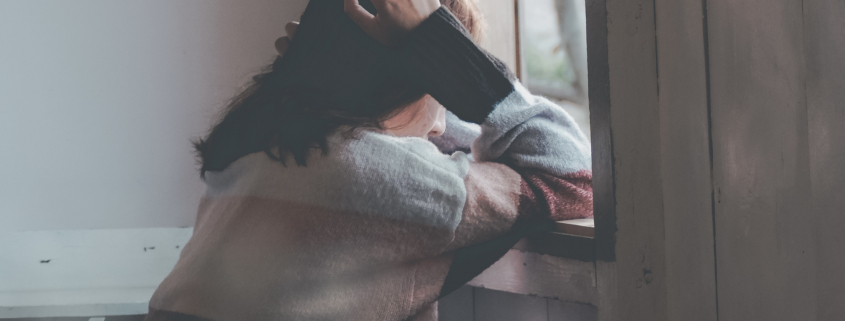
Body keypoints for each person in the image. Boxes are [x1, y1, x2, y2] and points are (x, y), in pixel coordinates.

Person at [145, 0, 592, 319]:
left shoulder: (257, 148)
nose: (443, 124)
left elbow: (418, 136)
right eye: (442, 94)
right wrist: (449, 53)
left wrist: (314, 67)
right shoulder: (382, 180)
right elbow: (574, 177)